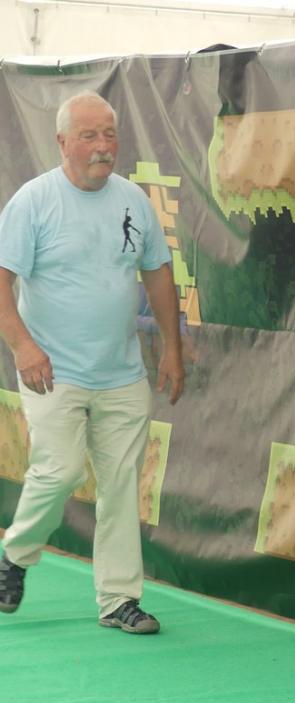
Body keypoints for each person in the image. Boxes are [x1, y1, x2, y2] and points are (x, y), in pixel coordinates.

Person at [0, 91, 184, 634]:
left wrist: (172, 348)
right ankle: (15, 556)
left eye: (109, 134)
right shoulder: (33, 202)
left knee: (122, 484)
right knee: (58, 472)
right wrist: (23, 346)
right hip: (51, 372)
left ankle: (120, 601)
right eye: (89, 136)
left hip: (122, 374)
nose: (103, 146)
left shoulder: (134, 201)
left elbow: (158, 272)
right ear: (62, 142)